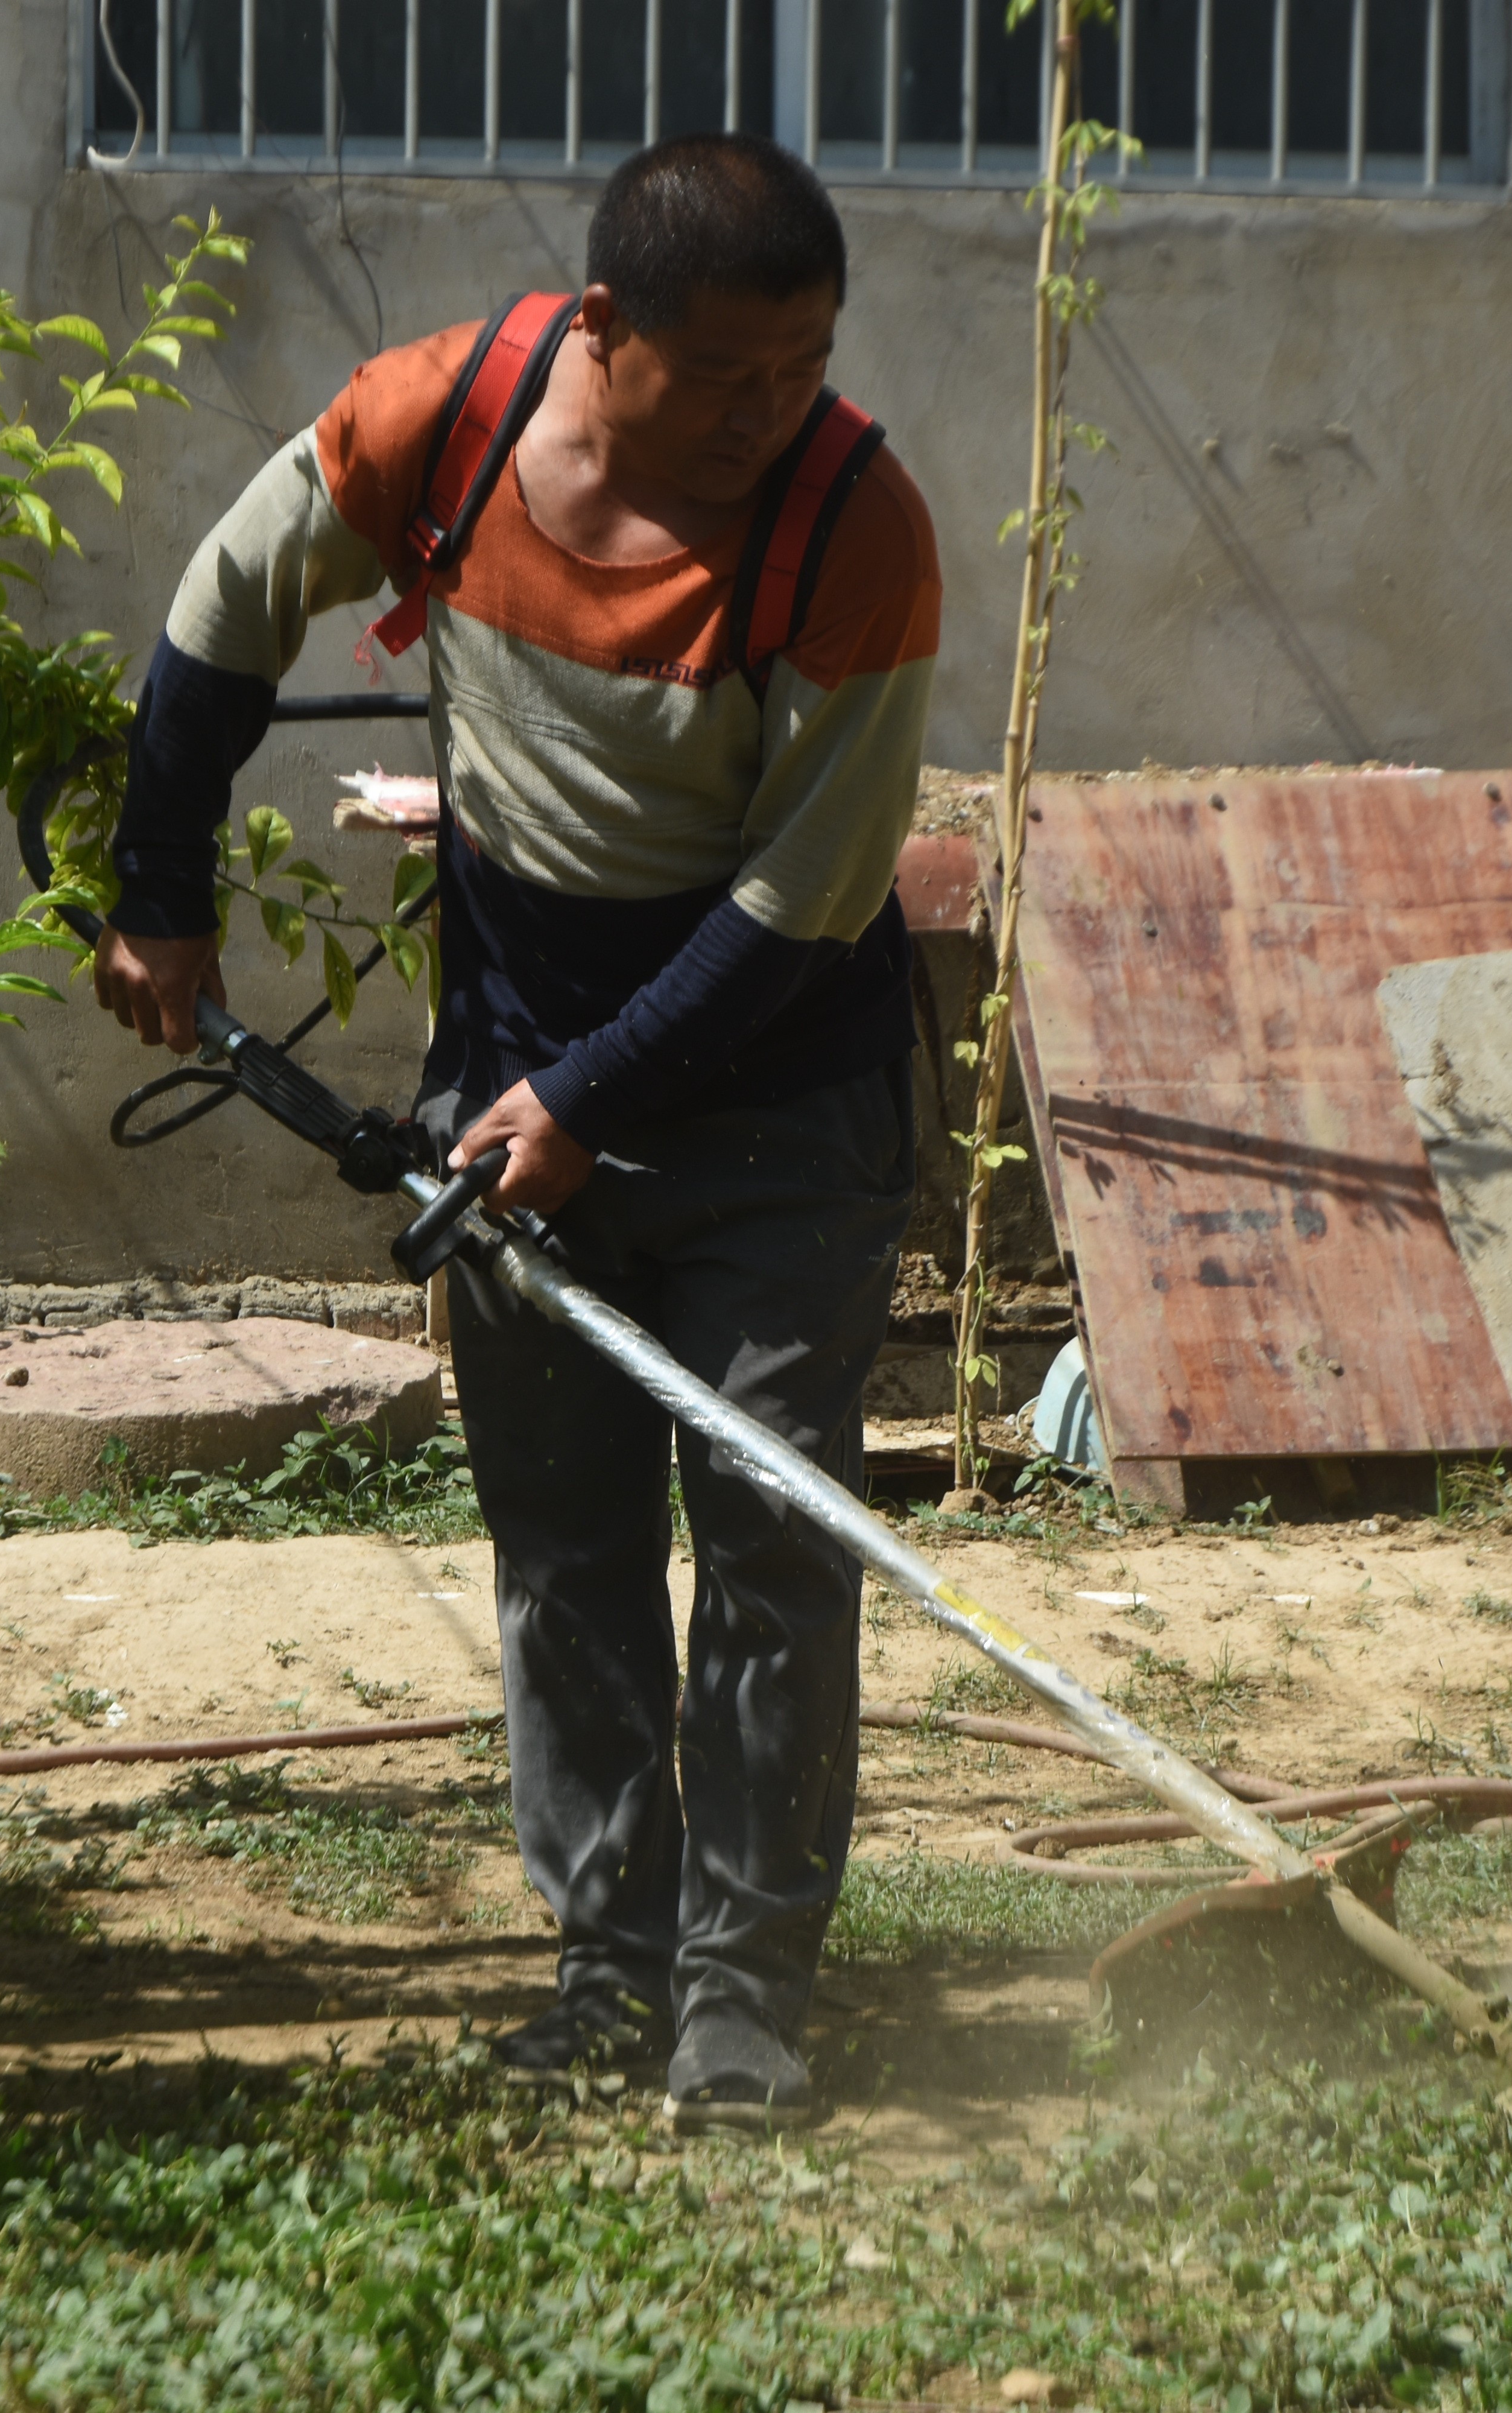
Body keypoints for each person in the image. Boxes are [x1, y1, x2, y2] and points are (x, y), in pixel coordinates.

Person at [91, 132, 939, 2134]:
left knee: (769, 1549)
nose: (769, 410)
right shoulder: (446, 425)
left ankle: (743, 1998)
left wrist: (587, 1104)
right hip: (516, 1080)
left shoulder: (852, 524)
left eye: (805, 361)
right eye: (726, 371)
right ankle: (603, 1970)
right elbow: (224, 612)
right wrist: (158, 891)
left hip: (778, 1112)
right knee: (565, 1552)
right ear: (603, 328)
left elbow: (804, 900)